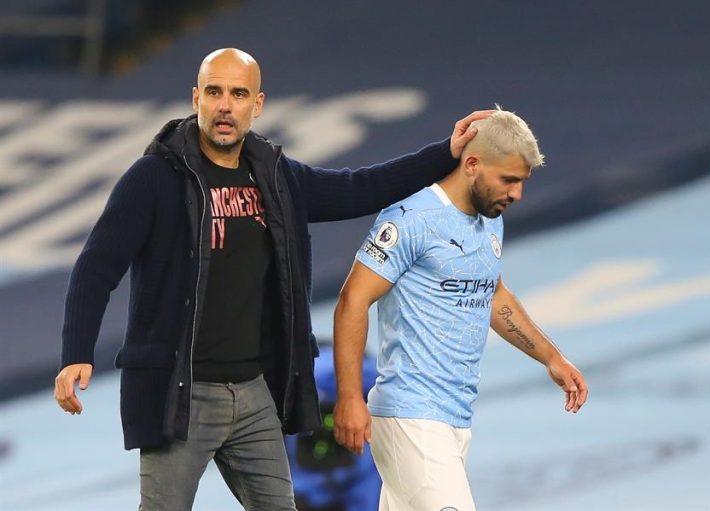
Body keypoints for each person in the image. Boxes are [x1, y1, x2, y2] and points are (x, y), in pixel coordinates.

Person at [53, 47, 490, 511]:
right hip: (181, 397)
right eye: (215, 92)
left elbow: (357, 189)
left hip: (255, 394)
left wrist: (444, 152)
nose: (226, 105)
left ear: (256, 105)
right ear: (196, 98)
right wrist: (76, 352)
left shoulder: (275, 176)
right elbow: (97, 264)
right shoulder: (155, 178)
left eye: (238, 94)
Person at [332, 107, 589, 511]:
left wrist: (552, 358)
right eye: (508, 180)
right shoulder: (411, 218)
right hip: (411, 417)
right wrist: (350, 397)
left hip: (454, 419)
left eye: (521, 183)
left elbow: (494, 294)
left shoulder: (490, 220)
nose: (516, 194)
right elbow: (353, 300)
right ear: (472, 164)